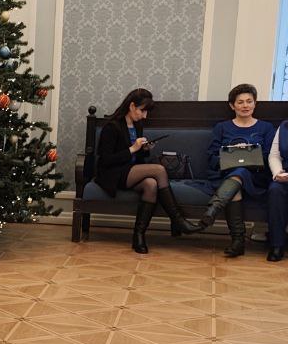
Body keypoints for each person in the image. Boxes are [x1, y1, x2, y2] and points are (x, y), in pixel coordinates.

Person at [94, 88, 198, 254]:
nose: (144, 116)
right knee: (159, 170)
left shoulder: (137, 125)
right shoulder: (112, 127)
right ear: (132, 106)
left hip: (129, 171)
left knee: (151, 185)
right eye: (142, 111)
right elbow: (105, 160)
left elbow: (136, 157)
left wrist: (144, 149)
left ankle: (138, 236)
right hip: (112, 174)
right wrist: (132, 149)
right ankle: (178, 221)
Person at [199, 84, 276, 257]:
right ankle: (237, 242)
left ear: (255, 103)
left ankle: (215, 208)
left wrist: (248, 153)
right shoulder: (222, 127)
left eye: (249, 101)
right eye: (240, 102)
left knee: (240, 172)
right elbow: (211, 157)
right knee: (237, 178)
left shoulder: (266, 128)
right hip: (225, 174)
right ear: (232, 106)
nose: (245, 105)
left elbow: (269, 156)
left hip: (256, 177)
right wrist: (231, 153)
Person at [266, 117, 288, 262]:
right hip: (285, 176)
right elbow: (274, 156)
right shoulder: (285, 126)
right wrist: (278, 173)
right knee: (275, 190)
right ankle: (277, 244)